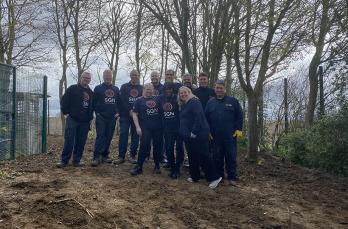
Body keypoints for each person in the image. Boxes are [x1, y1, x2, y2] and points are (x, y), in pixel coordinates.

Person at [178, 86, 222, 189]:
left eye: (185, 92)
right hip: (188, 136)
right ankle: (195, 176)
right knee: (192, 156)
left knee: (204, 156)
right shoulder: (184, 104)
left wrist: (194, 132)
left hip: (198, 134)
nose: (183, 94)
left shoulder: (194, 102)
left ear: (189, 92)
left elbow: (199, 117)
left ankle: (214, 178)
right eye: (181, 93)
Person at [205, 80, 243, 185]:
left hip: (230, 136)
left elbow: (239, 116)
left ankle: (232, 177)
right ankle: (220, 177)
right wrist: (207, 131)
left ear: (225, 89)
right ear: (214, 89)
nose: (218, 90)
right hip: (215, 136)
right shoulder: (210, 102)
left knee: (231, 156)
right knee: (217, 157)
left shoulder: (233, 101)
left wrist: (239, 129)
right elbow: (206, 118)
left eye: (221, 88)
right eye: (217, 88)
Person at [57, 71, 93, 168]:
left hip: (85, 121)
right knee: (69, 140)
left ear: (90, 80)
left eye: (88, 78)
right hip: (73, 119)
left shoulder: (90, 92)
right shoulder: (72, 89)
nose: (86, 79)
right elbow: (64, 101)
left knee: (81, 141)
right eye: (84, 77)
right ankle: (64, 161)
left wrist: (90, 118)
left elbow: (92, 106)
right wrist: (66, 112)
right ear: (80, 78)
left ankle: (77, 160)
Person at [130, 83, 163, 175]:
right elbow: (134, 114)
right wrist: (137, 127)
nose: (149, 91)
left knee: (157, 147)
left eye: (151, 89)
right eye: (147, 89)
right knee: (143, 146)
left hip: (158, 128)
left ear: (153, 90)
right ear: (144, 89)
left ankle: (157, 166)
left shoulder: (158, 99)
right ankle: (139, 166)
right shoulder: (139, 100)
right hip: (145, 128)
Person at [91, 69, 120, 167]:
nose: (108, 77)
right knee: (100, 136)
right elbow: (93, 102)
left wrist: (118, 112)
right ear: (103, 77)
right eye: (106, 76)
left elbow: (119, 103)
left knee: (109, 136)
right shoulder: (98, 88)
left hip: (112, 117)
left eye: (109, 76)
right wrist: (97, 113)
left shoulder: (116, 89)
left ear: (112, 77)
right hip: (101, 117)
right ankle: (96, 157)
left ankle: (105, 155)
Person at [115, 69, 143, 164]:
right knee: (123, 135)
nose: (134, 76)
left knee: (135, 136)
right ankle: (121, 156)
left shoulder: (141, 88)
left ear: (138, 76)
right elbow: (122, 101)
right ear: (130, 76)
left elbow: (143, 101)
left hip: (137, 117)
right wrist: (130, 110)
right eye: (133, 75)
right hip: (125, 115)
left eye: (136, 75)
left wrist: (136, 111)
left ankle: (132, 156)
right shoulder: (124, 87)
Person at [159, 83, 184, 179]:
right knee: (169, 148)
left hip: (178, 128)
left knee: (179, 148)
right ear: (164, 91)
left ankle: (177, 168)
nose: (168, 91)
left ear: (173, 90)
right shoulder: (160, 98)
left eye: (170, 90)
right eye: (166, 90)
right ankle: (172, 167)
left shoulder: (178, 98)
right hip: (167, 128)